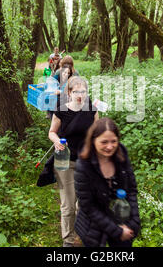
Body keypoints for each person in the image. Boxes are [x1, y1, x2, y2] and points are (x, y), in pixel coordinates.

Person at [48, 76, 99, 247]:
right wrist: (56, 141)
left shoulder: (92, 110)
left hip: (86, 162)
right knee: (68, 206)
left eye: (83, 91)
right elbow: (52, 132)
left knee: (83, 203)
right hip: (65, 162)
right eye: (76, 91)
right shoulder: (61, 111)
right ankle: (68, 241)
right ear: (69, 92)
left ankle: (83, 233)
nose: (80, 95)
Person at [74, 117, 141, 247]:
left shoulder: (121, 155)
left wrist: (134, 221)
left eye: (113, 141)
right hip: (94, 225)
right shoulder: (83, 166)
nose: (110, 147)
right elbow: (88, 206)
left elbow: (131, 190)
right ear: (93, 141)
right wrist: (116, 231)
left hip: (121, 217)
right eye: (104, 142)